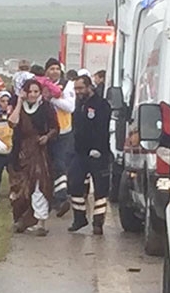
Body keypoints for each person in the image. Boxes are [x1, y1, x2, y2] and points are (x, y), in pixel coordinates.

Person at [8, 79, 59, 236]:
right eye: (30, 91)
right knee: (20, 188)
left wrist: (47, 137)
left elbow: (55, 127)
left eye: (36, 91)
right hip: (21, 151)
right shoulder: (19, 106)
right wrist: (19, 101)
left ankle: (41, 222)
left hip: (39, 152)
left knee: (39, 185)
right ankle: (22, 220)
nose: (33, 95)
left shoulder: (46, 107)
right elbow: (12, 123)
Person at [68, 75, 111, 235]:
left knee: (100, 190)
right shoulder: (79, 104)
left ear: (89, 87)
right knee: (74, 184)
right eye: (76, 89)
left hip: (98, 154)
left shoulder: (101, 104)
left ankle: (98, 223)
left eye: (80, 88)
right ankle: (79, 218)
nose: (78, 92)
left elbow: (102, 128)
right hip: (80, 153)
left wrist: (98, 148)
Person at [44, 57, 76, 216]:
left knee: (60, 164)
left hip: (63, 131)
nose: (55, 71)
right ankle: (49, 197)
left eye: (57, 68)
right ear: (46, 71)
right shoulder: (41, 85)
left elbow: (70, 107)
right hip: (45, 131)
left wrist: (53, 99)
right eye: (52, 69)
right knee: (47, 165)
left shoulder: (67, 85)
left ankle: (61, 198)